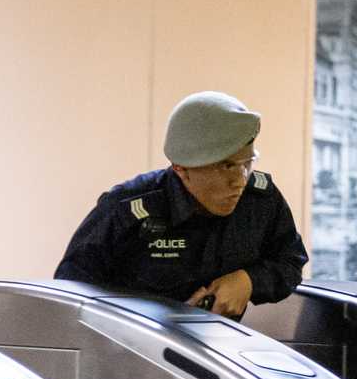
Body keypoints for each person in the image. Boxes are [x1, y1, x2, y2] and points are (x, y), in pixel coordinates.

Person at [56, 91, 306, 318]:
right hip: (131, 353)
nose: (239, 180)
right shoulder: (128, 210)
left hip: (222, 352)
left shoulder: (261, 201)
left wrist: (248, 281)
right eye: (227, 166)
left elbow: (290, 262)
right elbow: (70, 294)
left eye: (247, 163)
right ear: (182, 169)